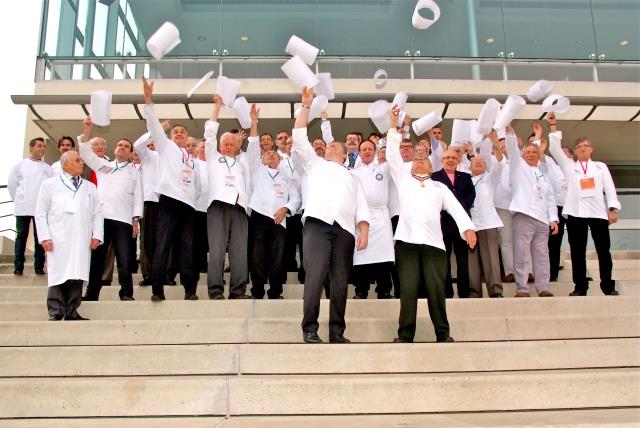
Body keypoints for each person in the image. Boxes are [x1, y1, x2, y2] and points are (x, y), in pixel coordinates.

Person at [386, 105, 476, 343]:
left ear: (431, 167)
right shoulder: (403, 181)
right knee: (408, 290)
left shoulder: (440, 187)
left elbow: (457, 208)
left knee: (436, 291)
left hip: (434, 245)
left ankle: (443, 334)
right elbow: (392, 157)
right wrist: (393, 127)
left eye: (424, 160)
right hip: (406, 243)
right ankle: (405, 335)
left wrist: (467, 228)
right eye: (416, 161)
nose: (419, 162)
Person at [293, 87, 369, 344]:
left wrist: (364, 231)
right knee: (314, 278)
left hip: (345, 230)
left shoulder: (352, 176)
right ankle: (310, 329)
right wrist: (305, 106)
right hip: (317, 225)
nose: (329, 145)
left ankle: (337, 331)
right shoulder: (315, 164)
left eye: (333, 144)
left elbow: (362, 207)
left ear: (343, 154)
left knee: (339, 283)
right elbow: (299, 135)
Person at [548, 116, 621, 296]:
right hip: (576, 214)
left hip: (598, 213)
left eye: (585, 147)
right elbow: (555, 149)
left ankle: (608, 286)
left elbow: (610, 188)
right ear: (576, 152)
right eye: (579, 147)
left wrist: (612, 209)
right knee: (577, 252)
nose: (582, 149)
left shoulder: (600, 167)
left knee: (604, 251)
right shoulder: (569, 166)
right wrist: (553, 126)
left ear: (591, 149)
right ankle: (580, 287)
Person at [143, 77, 202, 301]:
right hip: (168, 201)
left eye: (182, 132)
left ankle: (190, 290)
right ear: (170, 136)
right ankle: (157, 290)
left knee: (187, 248)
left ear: (187, 138)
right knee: (163, 245)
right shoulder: (165, 147)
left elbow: (197, 186)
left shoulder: (192, 158)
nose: (178, 134)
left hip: (188, 206)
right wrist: (149, 100)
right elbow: (153, 125)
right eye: (175, 131)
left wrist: (194, 202)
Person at [78, 117, 143, 301]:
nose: (122, 147)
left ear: (131, 153)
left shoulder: (134, 172)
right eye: (119, 145)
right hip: (101, 218)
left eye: (126, 146)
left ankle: (126, 293)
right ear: (114, 149)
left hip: (123, 220)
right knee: (97, 259)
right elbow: (85, 152)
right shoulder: (103, 165)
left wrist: (135, 220)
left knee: (124, 259)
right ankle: (91, 293)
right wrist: (87, 131)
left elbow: (138, 197)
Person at [35, 151, 102, 321]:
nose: (82, 163)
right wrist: (45, 237)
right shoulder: (49, 185)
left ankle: (72, 310)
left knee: (77, 272)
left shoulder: (90, 187)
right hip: (58, 237)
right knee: (58, 272)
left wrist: (97, 235)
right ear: (66, 164)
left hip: (82, 237)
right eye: (77, 160)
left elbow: (98, 212)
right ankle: (56, 311)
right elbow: (40, 212)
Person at [246, 118, 301, 299]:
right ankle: (257, 291)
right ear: (261, 159)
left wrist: (285, 208)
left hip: (279, 220)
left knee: (278, 258)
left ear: (280, 159)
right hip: (259, 218)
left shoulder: (286, 177)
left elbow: (295, 198)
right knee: (257, 257)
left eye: (274, 155)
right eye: (267, 154)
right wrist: (254, 123)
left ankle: (275, 291)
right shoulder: (256, 170)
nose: (270, 155)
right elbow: (253, 148)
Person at [204, 94, 252, 300]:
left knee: (239, 252)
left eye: (232, 144)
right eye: (225, 143)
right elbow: (209, 134)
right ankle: (215, 290)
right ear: (220, 146)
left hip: (240, 208)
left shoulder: (242, 163)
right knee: (216, 250)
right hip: (218, 206)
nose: (228, 146)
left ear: (237, 146)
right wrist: (216, 108)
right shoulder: (213, 158)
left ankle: (238, 291)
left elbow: (248, 186)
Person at [507, 126, 559, 297]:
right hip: (524, 216)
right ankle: (522, 288)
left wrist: (553, 219)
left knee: (542, 254)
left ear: (538, 155)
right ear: (523, 155)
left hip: (543, 220)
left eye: (533, 152)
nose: (530, 154)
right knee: (521, 253)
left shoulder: (543, 173)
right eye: (527, 152)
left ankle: (543, 287)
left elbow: (550, 197)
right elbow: (512, 149)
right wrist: (508, 130)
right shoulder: (517, 168)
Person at [350, 139, 394, 299]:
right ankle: (361, 291)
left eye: (370, 149)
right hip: (361, 217)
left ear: (375, 152)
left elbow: (395, 158)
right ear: (359, 153)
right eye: (364, 149)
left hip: (382, 216)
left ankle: (384, 290)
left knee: (384, 256)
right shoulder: (352, 173)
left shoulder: (384, 168)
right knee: (361, 255)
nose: (367, 151)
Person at [431, 149, 476, 298]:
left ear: (458, 160)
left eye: (453, 158)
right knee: (444, 261)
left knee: (463, 260)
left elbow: (471, 195)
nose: (450, 160)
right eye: (447, 157)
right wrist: (449, 209)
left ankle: (464, 292)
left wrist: (457, 208)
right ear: (442, 160)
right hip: (443, 224)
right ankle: (446, 292)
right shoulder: (434, 177)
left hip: (461, 225)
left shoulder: (465, 177)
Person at [8, 137, 54, 275]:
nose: (42, 149)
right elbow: (12, 185)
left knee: (40, 236)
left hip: (40, 208)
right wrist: (18, 200)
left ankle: (38, 267)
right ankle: (18, 266)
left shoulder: (47, 168)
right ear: (31, 148)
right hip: (23, 206)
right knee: (21, 235)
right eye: (39, 146)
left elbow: (50, 188)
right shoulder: (20, 165)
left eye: (43, 146)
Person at [468, 132, 505, 298]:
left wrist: (496, 145)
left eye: (481, 162)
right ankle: (474, 292)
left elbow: (499, 164)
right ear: (468, 166)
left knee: (491, 258)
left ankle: (495, 289)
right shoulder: (465, 180)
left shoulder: (490, 178)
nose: (477, 164)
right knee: (472, 262)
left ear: (485, 166)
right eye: (474, 162)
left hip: (488, 223)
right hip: (470, 225)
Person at [194, 139, 209, 274]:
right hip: (197, 208)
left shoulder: (215, 164)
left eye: (207, 147)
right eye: (203, 147)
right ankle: (201, 266)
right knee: (198, 240)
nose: (205, 149)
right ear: (197, 148)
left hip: (213, 209)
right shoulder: (193, 163)